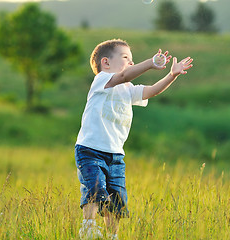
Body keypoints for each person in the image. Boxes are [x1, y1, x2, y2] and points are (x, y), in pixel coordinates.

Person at [75, 39, 193, 240]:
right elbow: (123, 75)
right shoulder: (102, 80)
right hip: (90, 149)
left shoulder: (128, 89)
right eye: (125, 58)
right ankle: (88, 226)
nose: (131, 62)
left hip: (116, 155)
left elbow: (152, 90)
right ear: (106, 62)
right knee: (95, 187)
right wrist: (150, 63)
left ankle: (112, 235)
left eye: (132, 59)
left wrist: (171, 75)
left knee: (117, 198)